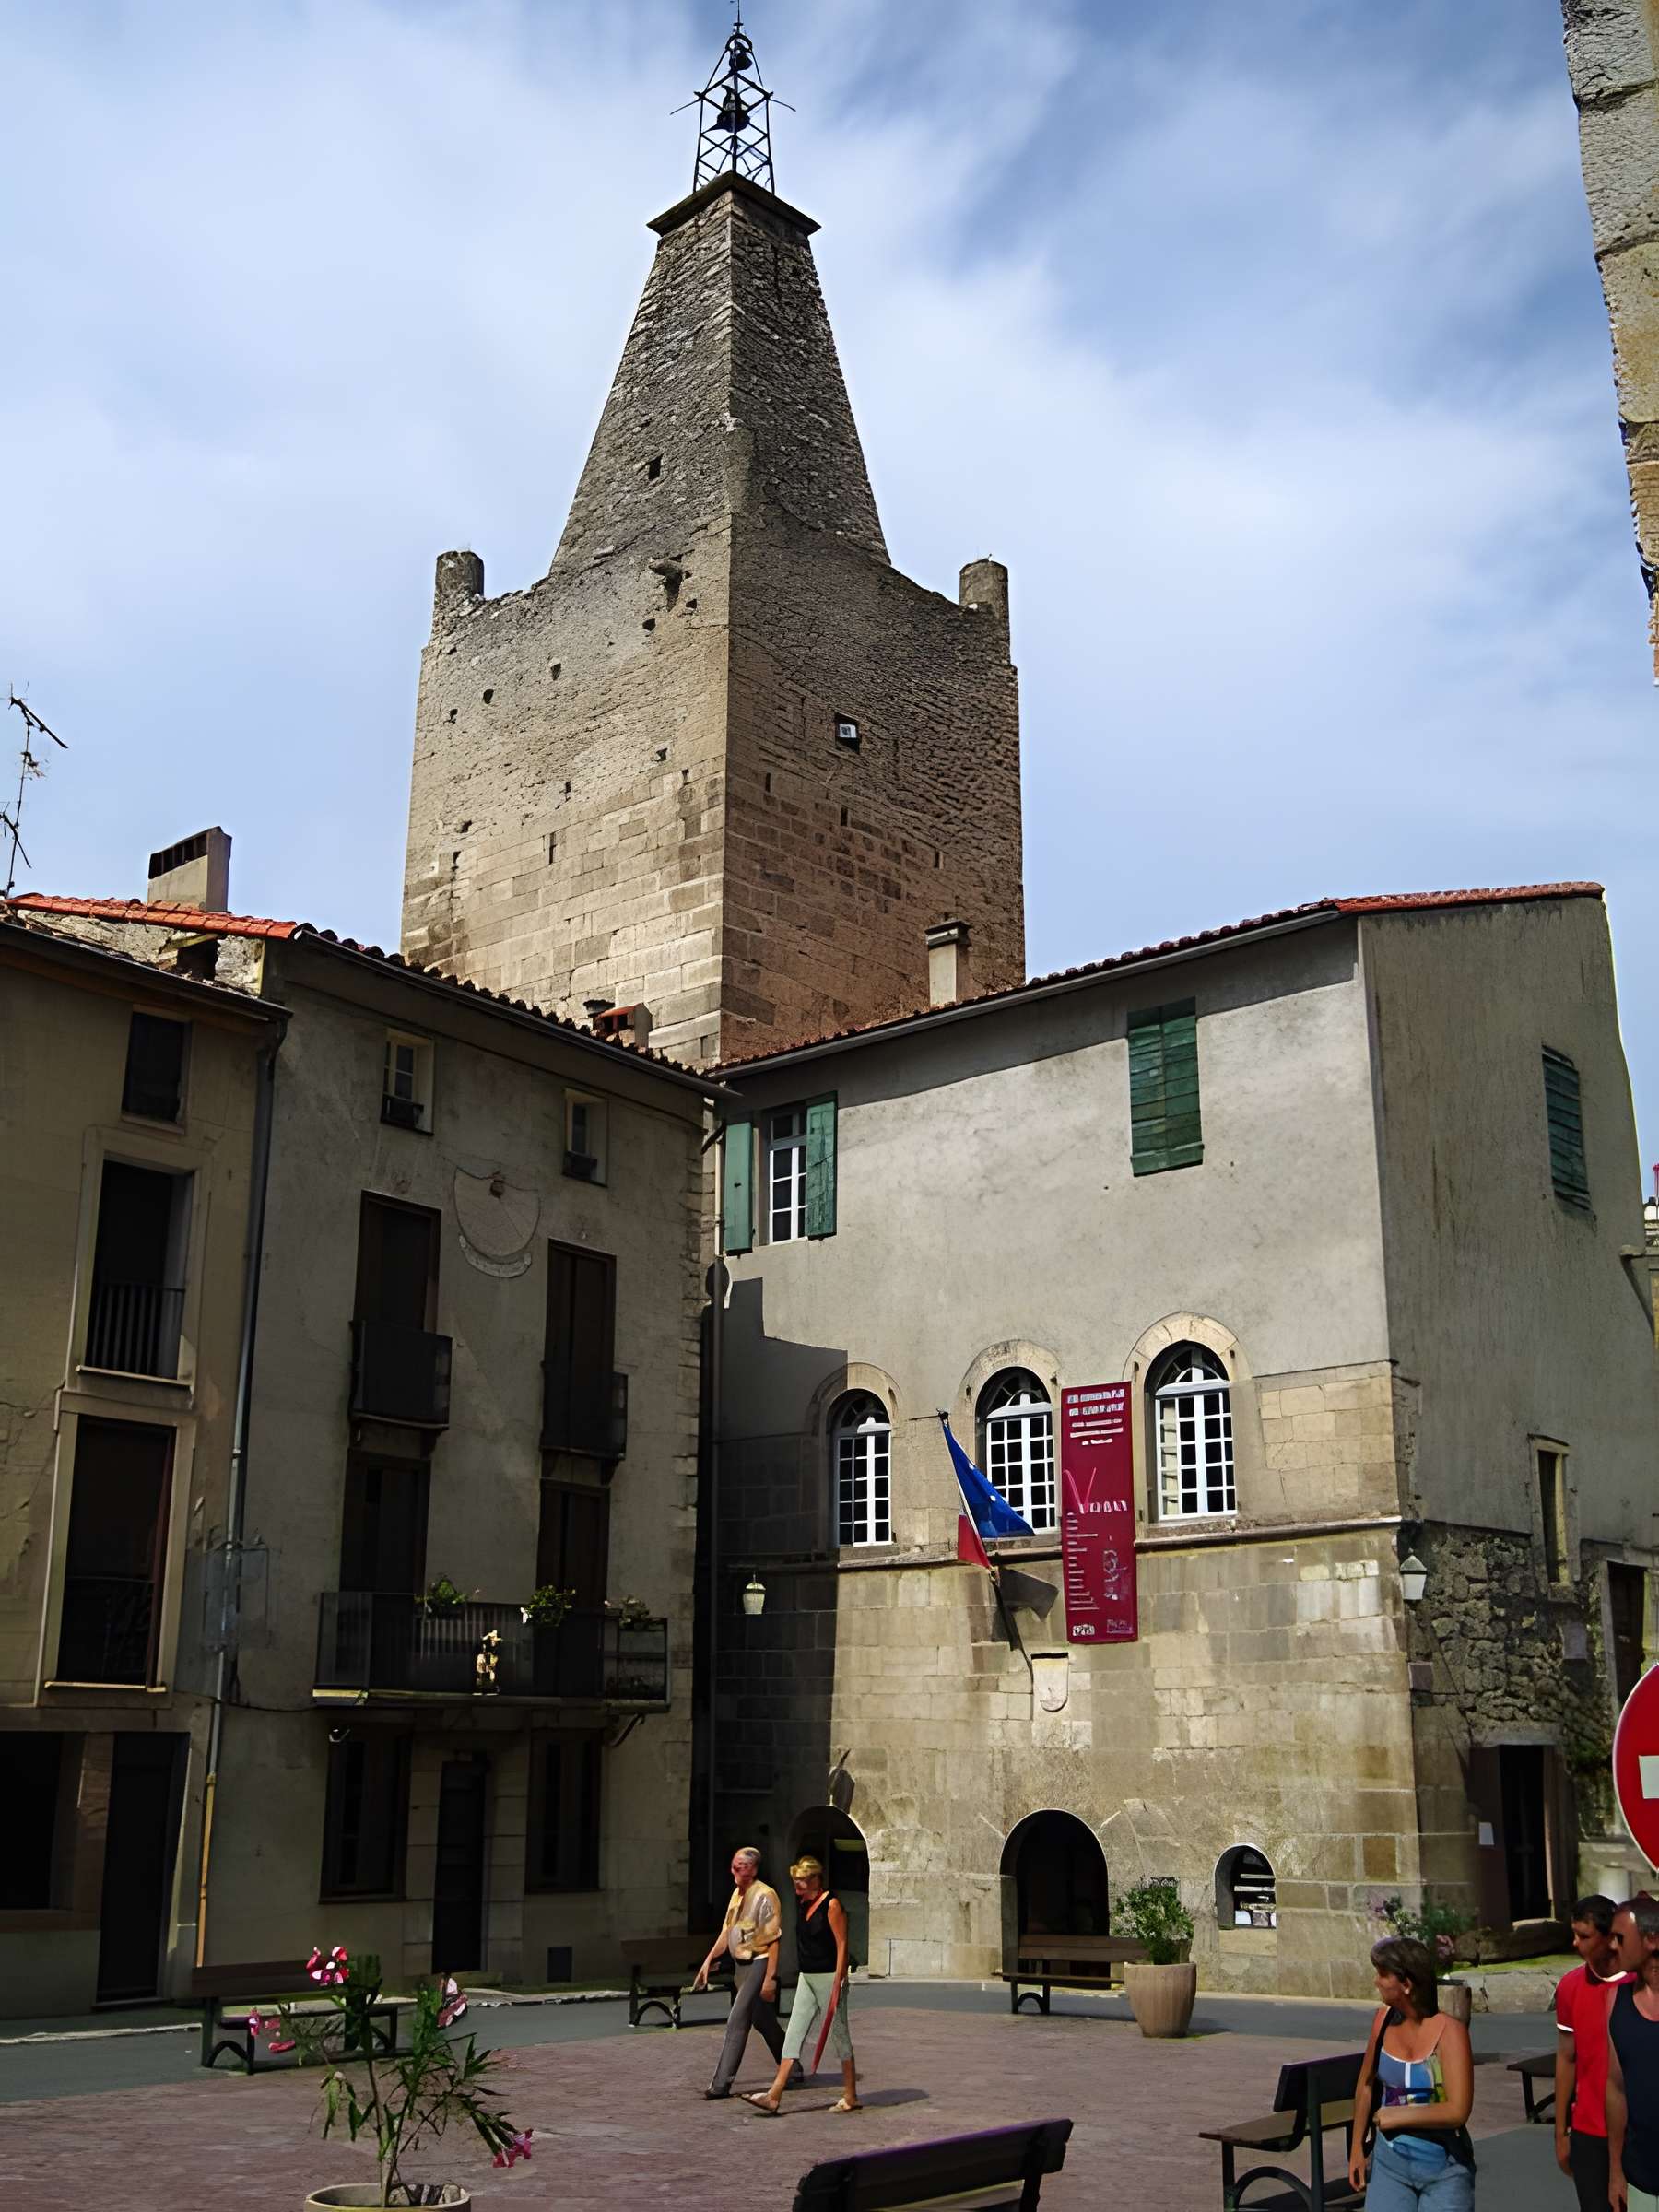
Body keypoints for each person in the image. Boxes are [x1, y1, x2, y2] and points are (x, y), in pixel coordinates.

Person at [1348, 1934, 1476, 2208]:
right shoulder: (1382, 2020)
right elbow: (1366, 2084)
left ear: (1406, 1984)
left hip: (1443, 2168)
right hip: (1390, 2163)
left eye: (1383, 1974)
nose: (1376, 1981)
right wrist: (1357, 2147)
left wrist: (1396, 2116)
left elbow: (1458, 2111)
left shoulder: (1450, 2032)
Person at [745, 1856, 860, 2116]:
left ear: (816, 1880)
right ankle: (774, 2095)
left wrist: (840, 1980)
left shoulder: (832, 1905)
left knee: (840, 2036)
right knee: (794, 2033)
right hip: (806, 1977)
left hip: (829, 1977)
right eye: (795, 1881)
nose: (797, 1886)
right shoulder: (802, 1904)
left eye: (802, 1881)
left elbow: (842, 1943)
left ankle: (851, 2095)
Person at [693, 1846, 798, 2101]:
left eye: (741, 1867)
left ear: (752, 1869)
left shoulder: (765, 1895)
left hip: (758, 1963)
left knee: (737, 2020)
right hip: (740, 1966)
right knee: (763, 2021)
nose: (735, 1871)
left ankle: (721, 2084)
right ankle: (793, 2068)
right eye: (734, 1866)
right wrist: (708, 1960)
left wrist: (770, 1978)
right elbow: (727, 1931)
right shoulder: (736, 1895)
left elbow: (774, 1940)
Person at [1554, 1894, 1628, 2211]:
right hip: (1588, 2132)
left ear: (1610, 1938)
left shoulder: (1639, 1984)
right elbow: (1566, 2057)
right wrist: (1561, 2132)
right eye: (1574, 1934)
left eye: (1584, 1936)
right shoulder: (1570, 1986)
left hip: (1636, 2131)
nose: (1575, 1943)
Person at [1607, 1895, 1659, 2212]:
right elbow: (1616, 2090)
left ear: (1652, 1940)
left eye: (1620, 1938)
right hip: (1640, 2180)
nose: (1612, 1945)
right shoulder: (1616, 2001)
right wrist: (1616, 2171)